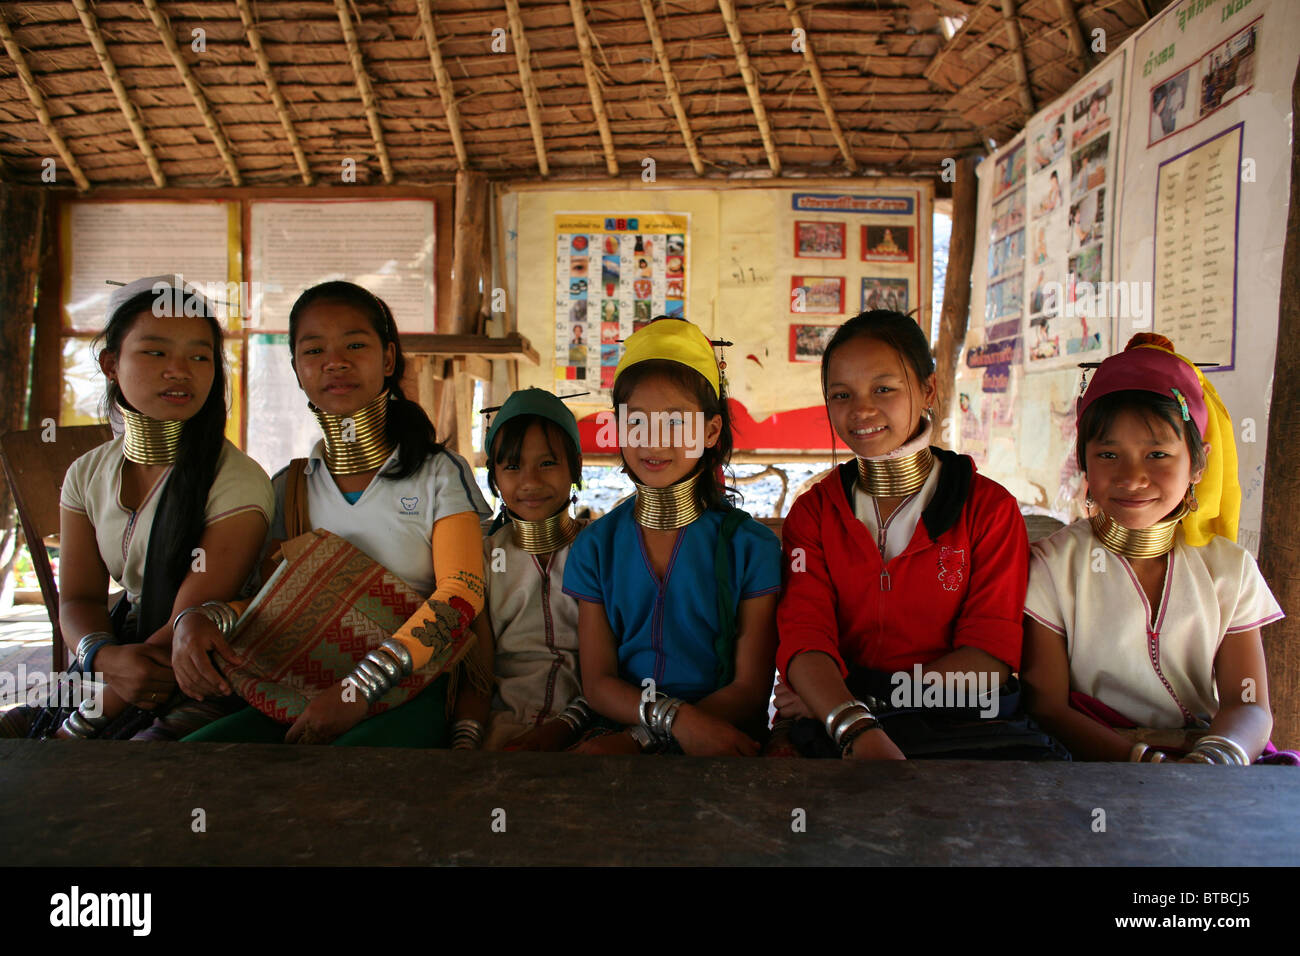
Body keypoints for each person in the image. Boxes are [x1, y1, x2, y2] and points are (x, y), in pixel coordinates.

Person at [182, 280, 491, 746]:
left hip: (417, 685)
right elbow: (278, 606)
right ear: (296, 369)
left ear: (388, 359)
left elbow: (462, 594)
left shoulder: (438, 474)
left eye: (355, 344)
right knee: (200, 755)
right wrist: (203, 619)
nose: (336, 362)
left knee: (342, 774)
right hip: (306, 683)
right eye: (314, 350)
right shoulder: (290, 490)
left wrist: (361, 686)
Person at [1, 275, 273, 740]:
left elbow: (182, 626)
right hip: (120, 650)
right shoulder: (86, 474)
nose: (179, 370)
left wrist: (80, 723)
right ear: (111, 363)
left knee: (132, 759)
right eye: (155, 351)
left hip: (208, 661)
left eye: (199, 356)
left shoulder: (238, 483)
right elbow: (80, 599)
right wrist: (102, 657)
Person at [771, 310, 1040, 760]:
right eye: (841, 394)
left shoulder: (987, 510)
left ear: (928, 389)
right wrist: (852, 726)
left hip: (958, 725)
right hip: (838, 723)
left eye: (884, 388)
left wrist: (859, 703)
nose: (861, 410)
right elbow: (805, 639)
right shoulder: (815, 513)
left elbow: (986, 663)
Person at [1022, 333, 1296, 765]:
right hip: (1091, 765)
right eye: (1108, 454)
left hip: (1207, 762)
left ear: (1197, 463)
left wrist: (1215, 759)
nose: (1132, 477)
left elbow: (1248, 704)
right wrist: (1148, 765)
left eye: (1157, 455)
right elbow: (1047, 707)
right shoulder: (1053, 567)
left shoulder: (1229, 571)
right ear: (1084, 462)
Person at [562, 318, 781, 756]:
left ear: (712, 432)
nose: (654, 441)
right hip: (621, 728)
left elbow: (750, 690)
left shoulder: (752, 550)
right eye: (637, 421)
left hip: (724, 733)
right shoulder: (596, 548)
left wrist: (645, 739)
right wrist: (669, 725)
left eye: (677, 423)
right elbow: (600, 682)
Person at [451, 388, 593, 752]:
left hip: (589, 728)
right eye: (512, 466)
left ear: (575, 465)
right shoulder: (480, 559)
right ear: (494, 476)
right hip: (499, 729)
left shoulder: (600, 552)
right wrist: (465, 745)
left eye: (547, 463)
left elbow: (612, 668)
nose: (529, 482)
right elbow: (477, 676)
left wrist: (563, 730)